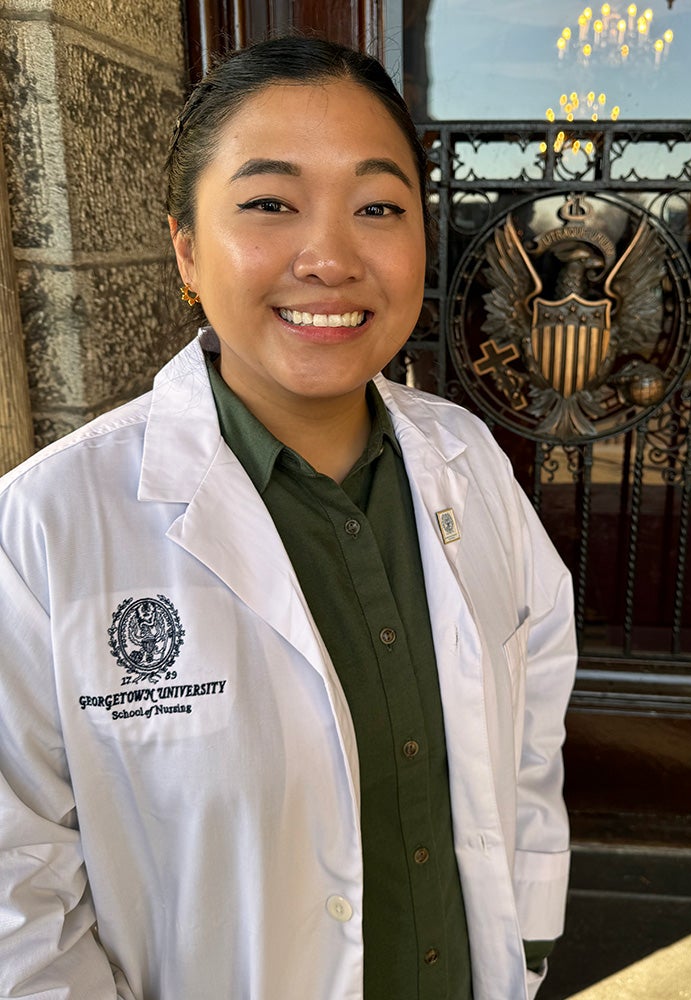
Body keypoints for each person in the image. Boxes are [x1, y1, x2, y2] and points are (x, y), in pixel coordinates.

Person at [0, 35, 576, 1000]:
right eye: (269, 203)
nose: (330, 257)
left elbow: (532, 724)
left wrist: (530, 939)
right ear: (186, 249)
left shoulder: (466, 462)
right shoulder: (47, 528)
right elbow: (17, 889)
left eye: (378, 208)